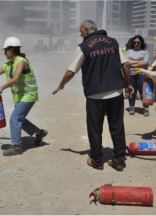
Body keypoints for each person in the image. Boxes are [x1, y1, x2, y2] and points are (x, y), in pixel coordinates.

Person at [52, 20, 134, 171]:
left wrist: (61, 85)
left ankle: (97, 160)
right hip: (116, 92)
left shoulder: (83, 46)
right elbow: (126, 65)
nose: (80, 34)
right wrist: (128, 84)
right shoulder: (113, 42)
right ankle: (118, 161)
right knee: (117, 127)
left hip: (95, 96)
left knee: (95, 128)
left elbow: (71, 71)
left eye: (81, 32)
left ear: (86, 30)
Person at [0, 37, 48, 156]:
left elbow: (16, 78)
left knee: (15, 119)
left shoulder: (21, 61)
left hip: (29, 95)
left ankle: (17, 147)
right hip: (20, 97)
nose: (4, 53)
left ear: (12, 50)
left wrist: (1, 87)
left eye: (5, 50)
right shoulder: (8, 65)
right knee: (20, 119)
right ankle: (39, 133)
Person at [125, 35, 150, 116]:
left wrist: (132, 63)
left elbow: (145, 62)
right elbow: (126, 62)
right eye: (134, 42)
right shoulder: (129, 51)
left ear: (141, 43)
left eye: (138, 42)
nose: (136, 44)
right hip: (131, 74)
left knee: (143, 92)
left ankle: (146, 108)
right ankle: (131, 107)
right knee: (132, 92)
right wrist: (139, 62)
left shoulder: (145, 52)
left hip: (141, 74)